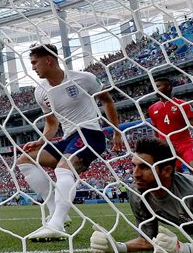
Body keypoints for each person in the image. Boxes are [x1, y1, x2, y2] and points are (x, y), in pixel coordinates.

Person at [17, 43, 122, 242]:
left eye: (35, 62)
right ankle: (56, 213)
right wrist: (40, 141)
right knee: (25, 159)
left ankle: (56, 225)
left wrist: (116, 132)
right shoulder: (40, 92)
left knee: (62, 169)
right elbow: (51, 123)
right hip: (68, 138)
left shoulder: (84, 78)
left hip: (90, 134)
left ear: (49, 60)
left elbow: (107, 100)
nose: (32, 67)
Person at [147, 77, 193, 173]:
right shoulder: (152, 108)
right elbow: (155, 131)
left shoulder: (182, 104)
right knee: (174, 176)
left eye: (158, 86)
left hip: (185, 144)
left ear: (168, 87)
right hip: (167, 147)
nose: (155, 89)